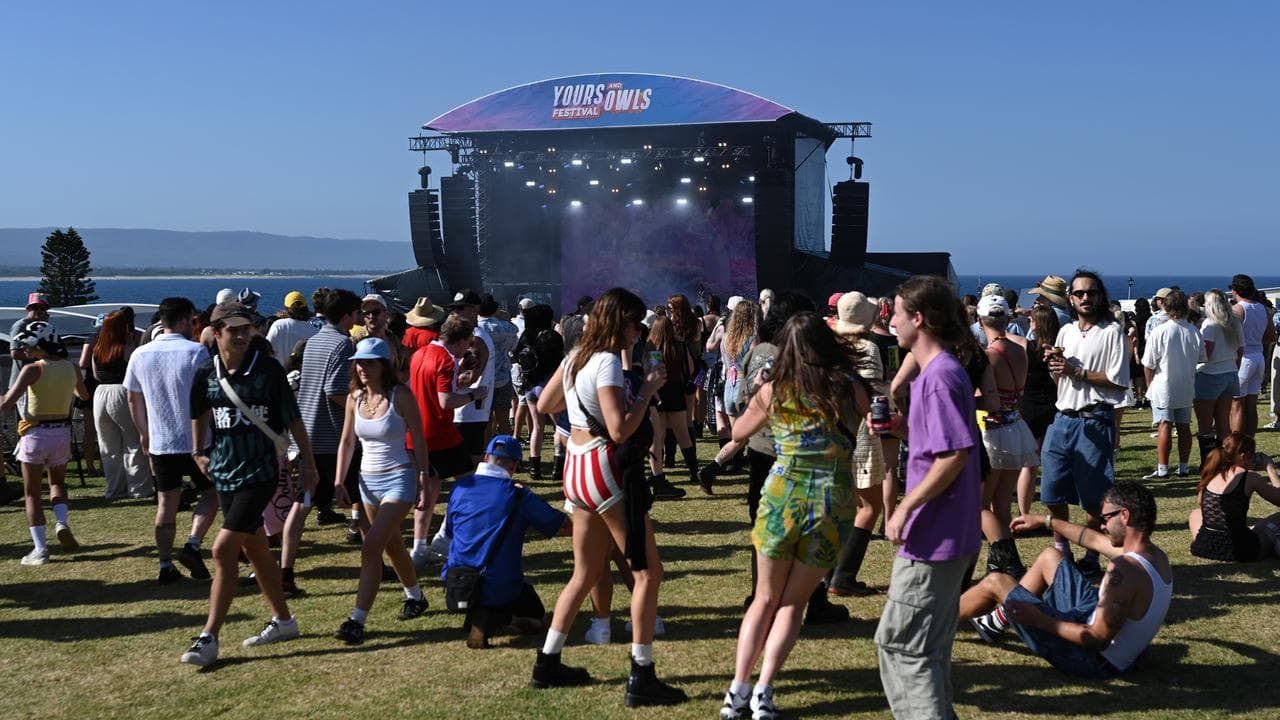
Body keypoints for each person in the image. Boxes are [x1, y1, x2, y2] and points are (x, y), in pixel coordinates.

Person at [529, 287, 686, 707]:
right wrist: (649, 389)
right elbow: (620, 430)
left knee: (583, 573)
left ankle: (548, 661)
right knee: (648, 573)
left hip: (575, 469)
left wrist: (579, 403)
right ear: (621, 323)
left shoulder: (576, 356)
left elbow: (544, 404)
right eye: (636, 325)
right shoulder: (604, 363)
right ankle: (642, 674)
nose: (640, 333)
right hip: (603, 468)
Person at [720, 311, 870, 720]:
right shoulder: (848, 386)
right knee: (792, 604)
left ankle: (737, 692)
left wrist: (759, 390)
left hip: (782, 496)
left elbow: (737, 433)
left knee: (764, 599)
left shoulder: (774, 388)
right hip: (830, 501)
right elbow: (884, 421)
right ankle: (764, 692)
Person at [180, 301, 320, 667]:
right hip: (224, 471)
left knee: (223, 550)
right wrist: (198, 451)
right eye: (233, 329)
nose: (242, 335)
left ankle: (208, 636)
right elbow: (199, 412)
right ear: (216, 333)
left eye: (247, 328)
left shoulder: (268, 370)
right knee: (256, 549)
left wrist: (307, 462)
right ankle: (284, 620)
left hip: (259, 472)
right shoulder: (205, 373)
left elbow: (293, 418)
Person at [873, 275, 982, 720]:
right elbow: (943, 443)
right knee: (928, 652)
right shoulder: (941, 374)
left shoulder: (939, 376)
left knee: (902, 648)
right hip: (948, 535)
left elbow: (955, 455)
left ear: (918, 319)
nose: (891, 321)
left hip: (933, 538)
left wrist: (904, 505)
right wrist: (903, 430)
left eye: (896, 313)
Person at [964, 482, 1172, 679]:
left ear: (1124, 516)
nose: (1102, 526)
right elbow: (1089, 538)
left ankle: (933, 623)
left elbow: (1097, 638)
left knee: (997, 582)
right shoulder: (1155, 556)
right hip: (1109, 642)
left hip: (1091, 660)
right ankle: (995, 621)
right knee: (1050, 557)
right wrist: (1045, 521)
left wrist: (1038, 618)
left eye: (1105, 518)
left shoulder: (1124, 571)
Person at [332, 338, 431, 644]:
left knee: (371, 547)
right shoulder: (354, 397)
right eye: (359, 362)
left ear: (384, 365)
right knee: (391, 546)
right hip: (366, 482)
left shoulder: (401, 395)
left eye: (370, 362)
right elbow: (348, 441)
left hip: (399, 479)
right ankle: (415, 596)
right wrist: (339, 480)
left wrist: (424, 479)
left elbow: (419, 438)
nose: (362, 368)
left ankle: (356, 620)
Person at [1041, 270, 1129, 579]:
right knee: (1051, 491)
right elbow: (1059, 379)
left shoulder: (1112, 332)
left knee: (1094, 498)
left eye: (1091, 293)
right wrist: (1055, 367)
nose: (1085, 298)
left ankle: (1092, 554)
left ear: (1101, 296)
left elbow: (1119, 382)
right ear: (1071, 299)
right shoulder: (1065, 332)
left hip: (1094, 419)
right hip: (1062, 418)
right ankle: (1062, 549)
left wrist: (1075, 372)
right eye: (1079, 294)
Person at [124, 297, 219, 583]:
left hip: (161, 440)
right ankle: (192, 543)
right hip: (196, 440)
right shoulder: (196, 352)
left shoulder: (140, 355)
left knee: (166, 503)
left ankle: (165, 564)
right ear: (183, 321)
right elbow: (208, 397)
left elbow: (133, 397)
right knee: (212, 493)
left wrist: (144, 432)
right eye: (191, 321)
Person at [444, 434, 569, 648]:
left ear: (486, 457)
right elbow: (564, 526)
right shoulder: (519, 496)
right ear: (514, 465)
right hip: (498, 584)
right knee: (537, 619)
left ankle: (477, 612)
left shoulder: (459, 488)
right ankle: (499, 618)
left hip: (457, 582)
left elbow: (450, 532)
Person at [282, 287, 361, 595]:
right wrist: (363, 403)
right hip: (333, 436)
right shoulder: (343, 344)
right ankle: (379, 563)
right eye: (355, 315)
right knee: (363, 504)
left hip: (307, 435)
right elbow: (336, 390)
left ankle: (286, 572)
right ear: (346, 317)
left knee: (302, 505)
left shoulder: (312, 341)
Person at [1, 322, 89, 565]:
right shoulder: (71, 368)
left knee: (32, 494)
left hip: (35, 434)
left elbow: (6, 403)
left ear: (39, 345)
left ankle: (40, 550)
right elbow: (83, 395)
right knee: (58, 484)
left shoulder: (32, 370)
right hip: (62, 432)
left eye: (28, 346)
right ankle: (62, 523)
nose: (25, 351)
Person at [408, 315, 481, 568]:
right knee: (468, 486)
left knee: (428, 492)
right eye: (468, 342)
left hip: (418, 432)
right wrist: (473, 394)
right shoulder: (446, 359)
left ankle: (418, 549)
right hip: (440, 432)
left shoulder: (421, 354)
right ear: (460, 341)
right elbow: (444, 401)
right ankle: (444, 537)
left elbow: (428, 389)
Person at [827, 292, 887, 597]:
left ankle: (827, 571)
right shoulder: (868, 348)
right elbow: (875, 393)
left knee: (841, 505)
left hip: (833, 430)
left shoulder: (831, 346)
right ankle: (843, 575)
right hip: (863, 430)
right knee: (870, 505)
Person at [975, 293, 1037, 578]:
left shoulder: (989, 355)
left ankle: (1004, 559)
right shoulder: (1019, 350)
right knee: (1001, 502)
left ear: (980, 320)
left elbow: (988, 399)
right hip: (1016, 427)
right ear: (1009, 319)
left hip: (994, 430)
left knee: (981, 504)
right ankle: (1002, 561)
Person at [1189, 432, 1280, 562]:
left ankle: (1215, 538)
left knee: (1195, 514)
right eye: (1253, 455)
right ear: (1244, 456)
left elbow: (1200, 503)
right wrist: (1270, 468)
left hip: (1204, 547)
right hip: (1240, 549)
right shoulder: (1249, 477)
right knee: (1266, 526)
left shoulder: (1213, 471)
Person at [697, 298, 758, 493]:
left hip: (729, 388)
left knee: (739, 436)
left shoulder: (726, 337)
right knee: (746, 437)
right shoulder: (753, 337)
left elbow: (723, 361)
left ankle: (714, 469)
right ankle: (712, 469)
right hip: (744, 387)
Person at [92, 310, 154, 499]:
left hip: (100, 393)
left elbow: (95, 375)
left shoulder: (97, 349)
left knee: (108, 446)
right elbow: (140, 372)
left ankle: (114, 489)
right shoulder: (126, 349)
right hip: (122, 392)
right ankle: (138, 488)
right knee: (133, 441)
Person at [1142, 290, 1203, 479]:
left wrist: (1149, 384)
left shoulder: (1160, 331)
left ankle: (1162, 468)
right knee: (1184, 426)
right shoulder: (1193, 331)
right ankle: (1183, 467)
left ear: (1166, 308)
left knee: (1164, 425)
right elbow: (1202, 357)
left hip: (1164, 384)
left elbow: (1149, 363)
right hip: (1186, 383)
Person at [646, 311, 696, 499]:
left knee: (657, 437)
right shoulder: (679, 347)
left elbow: (654, 371)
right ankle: (693, 471)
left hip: (659, 391)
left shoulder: (654, 349)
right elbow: (690, 368)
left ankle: (656, 473)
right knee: (682, 432)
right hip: (676, 392)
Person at [449, 290, 495, 456]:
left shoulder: (475, 339)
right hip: (467, 410)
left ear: (475, 310)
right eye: (454, 309)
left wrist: (444, 383)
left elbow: (470, 376)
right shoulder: (472, 336)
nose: (455, 313)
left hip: (469, 413)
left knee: (469, 465)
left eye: (461, 309)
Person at [1231, 274, 1275, 437]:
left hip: (1243, 359)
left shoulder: (1237, 310)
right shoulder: (1262, 308)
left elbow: (1232, 339)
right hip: (1258, 356)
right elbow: (1271, 336)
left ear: (1235, 291)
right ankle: (1249, 445)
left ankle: (1237, 447)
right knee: (1251, 406)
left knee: (1237, 406)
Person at [478, 293, 519, 437]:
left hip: (481, 379)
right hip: (502, 378)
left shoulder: (474, 328)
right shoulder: (507, 328)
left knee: (485, 421)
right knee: (504, 420)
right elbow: (514, 345)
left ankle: (485, 453)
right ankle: (506, 454)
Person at [266, 291, 319, 364]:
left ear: (286, 309)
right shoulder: (314, 331)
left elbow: (267, 350)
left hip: (280, 373)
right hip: (304, 374)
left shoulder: (278, 325)